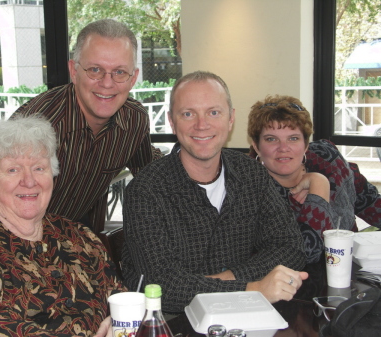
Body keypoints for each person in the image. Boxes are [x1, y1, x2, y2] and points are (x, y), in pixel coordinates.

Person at [0, 19, 162, 234]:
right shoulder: (38, 123)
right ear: (74, 70)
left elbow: (151, 174)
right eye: (95, 70)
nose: (107, 83)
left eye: (119, 72)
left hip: (68, 240)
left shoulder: (134, 120)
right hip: (7, 239)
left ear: (133, 78)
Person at [121, 71, 307, 314]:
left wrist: (228, 279)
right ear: (171, 122)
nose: (202, 125)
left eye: (213, 112)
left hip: (248, 318)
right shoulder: (146, 191)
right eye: (188, 114)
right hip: (176, 321)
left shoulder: (250, 173)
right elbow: (162, 286)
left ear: (231, 119)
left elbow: (290, 247)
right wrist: (252, 289)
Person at [0, 116, 123, 336]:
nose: (29, 181)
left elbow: (121, 299)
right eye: (13, 170)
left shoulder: (80, 237)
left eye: (39, 168)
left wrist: (119, 322)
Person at [247, 95, 381, 264]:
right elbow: (306, 254)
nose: (283, 148)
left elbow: (369, 202)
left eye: (293, 138)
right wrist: (319, 185)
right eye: (271, 139)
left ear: (306, 144)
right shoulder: (248, 187)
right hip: (295, 285)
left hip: (357, 272)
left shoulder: (327, 159)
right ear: (256, 146)